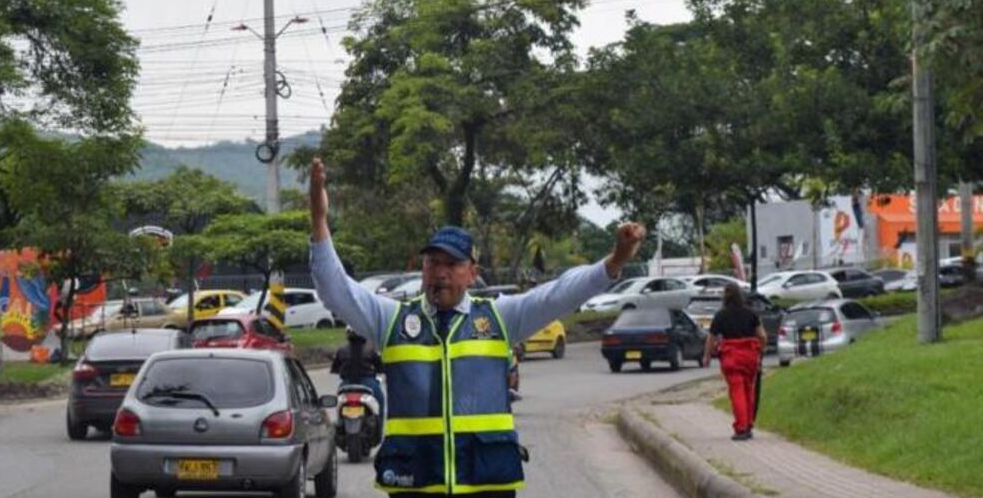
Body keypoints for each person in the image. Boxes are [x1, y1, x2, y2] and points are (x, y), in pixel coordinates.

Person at [307, 158, 645, 497]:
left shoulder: (499, 317)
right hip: (416, 483)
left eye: (451, 264)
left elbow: (558, 295)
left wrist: (615, 260)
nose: (439, 272)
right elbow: (335, 288)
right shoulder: (392, 319)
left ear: (472, 272)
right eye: (432, 263)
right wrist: (319, 221)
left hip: (486, 483)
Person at [701, 284, 768, 441]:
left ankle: (741, 428)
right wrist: (760, 352)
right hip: (750, 356)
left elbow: (711, 338)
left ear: (725, 297)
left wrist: (707, 356)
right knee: (748, 390)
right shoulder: (751, 313)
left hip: (731, 356)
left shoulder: (721, 315)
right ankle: (749, 424)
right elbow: (763, 336)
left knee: (736, 391)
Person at [331, 327, 385, 418]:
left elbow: (335, 369)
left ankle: (340, 424)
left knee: (338, 404)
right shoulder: (371, 349)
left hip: (347, 384)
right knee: (380, 402)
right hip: (368, 383)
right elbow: (380, 367)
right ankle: (379, 427)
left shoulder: (341, 350)